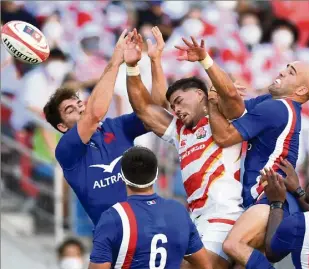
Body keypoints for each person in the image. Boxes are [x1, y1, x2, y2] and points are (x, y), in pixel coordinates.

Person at [172, 35, 309, 266]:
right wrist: (215, 79)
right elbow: (232, 105)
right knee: (240, 263)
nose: (282, 72)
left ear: (301, 89)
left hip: (271, 199)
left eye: (291, 72)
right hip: (269, 200)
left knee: (232, 246)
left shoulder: (277, 108)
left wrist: (211, 97)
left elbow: (224, 136)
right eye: (285, 68)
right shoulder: (272, 103)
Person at [123, 27, 244, 269]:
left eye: (179, 102)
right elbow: (144, 110)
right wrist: (133, 67)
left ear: (200, 94)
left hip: (224, 216)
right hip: (196, 219)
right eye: (173, 105)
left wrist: (205, 60)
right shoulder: (180, 130)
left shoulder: (224, 116)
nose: (175, 109)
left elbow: (230, 95)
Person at [43, 30, 150, 225]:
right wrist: (116, 62)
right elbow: (94, 114)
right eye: (70, 110)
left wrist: (137, 66)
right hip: (114, 235)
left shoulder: (115, 126)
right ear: (61, 126)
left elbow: (154, 110)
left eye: (79, 103)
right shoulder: (66, 149)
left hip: (147, 221)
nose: (80, 108)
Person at [89, 146, 212, 269]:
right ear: (156, 175)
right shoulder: (179, 211)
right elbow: (206, 265)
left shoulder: (112, 217)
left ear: (122, 178)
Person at [244, 164, 309, 269]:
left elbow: (272, 253)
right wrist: (298, 190)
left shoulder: (299, 223)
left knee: (234, 246)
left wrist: (276, 203)